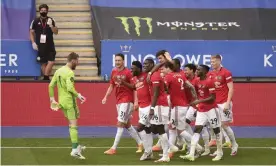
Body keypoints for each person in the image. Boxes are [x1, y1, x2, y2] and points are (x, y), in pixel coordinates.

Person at [102, 53, 143, 155]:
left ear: (123, 61)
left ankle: (113, 148)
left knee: (120, 123)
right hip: (119, 100)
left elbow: (135, 87)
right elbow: (111, 85)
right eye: (116, 60)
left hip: (127, 101)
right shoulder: (113, 71)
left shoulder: (128, 72)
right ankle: (141, 143)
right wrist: (106, 97)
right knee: (127, 124)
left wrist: (136, 101)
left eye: (119, 60)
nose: (117, 62)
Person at [181, 64, 223, 162]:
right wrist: (196, 102)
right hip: (201, 110)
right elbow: (194, 91)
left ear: (205, 72)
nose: (197, 71)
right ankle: (191, 154)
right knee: (197, 130)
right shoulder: (196, 80)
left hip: (212, 110)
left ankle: (219, 152)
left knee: (217, 130)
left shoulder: (210, 81)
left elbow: (212, 98)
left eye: (199, 70)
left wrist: (198, 101)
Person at [48, 52, 86, 159]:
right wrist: (79, 95)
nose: (77, 64)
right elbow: (70, 88)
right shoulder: (69, 73)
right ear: (73, 60)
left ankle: (76, 145)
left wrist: (52, 99)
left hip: (61, 102)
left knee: (70, 124)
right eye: (77, 61)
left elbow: (50, 86)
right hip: (69, 102)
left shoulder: (59, 71)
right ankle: (75, 150)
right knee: (74, 125)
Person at [162, 61, 201, 158]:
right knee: (172, 129)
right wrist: (196, 99)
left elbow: (163, 88)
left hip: (177, 107)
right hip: (182, 106)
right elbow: (191, 86)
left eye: (164, 68)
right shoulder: (182, 75)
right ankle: (168, 152)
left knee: (179, 131)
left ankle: (198, 146)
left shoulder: (169, 76)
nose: (163, 70)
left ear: (168, 68)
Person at [121, 60, 155, 161]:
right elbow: (133, 87)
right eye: (131, 69)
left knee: (140, 128)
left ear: (139, 69)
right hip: (142, 106)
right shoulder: (134, 78)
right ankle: (150, 152)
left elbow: (154, 70)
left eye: (133, 69)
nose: (131, 70)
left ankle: (147, 151)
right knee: (148, 129)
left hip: (149, 106)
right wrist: (123, 82)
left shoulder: (146, 75)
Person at [209, 54, 239, 156]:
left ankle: (234, 145)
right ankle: (219, 149)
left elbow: (231, 88)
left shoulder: (226, 72)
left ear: (218, 61)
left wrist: (227, 103)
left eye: (213, 62)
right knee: (217, 126)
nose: (212, 64)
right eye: (211, 62)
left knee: (224, 126)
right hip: (215, 104)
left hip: (224, 103)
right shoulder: (211, 74)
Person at [184, 63, 211, 156]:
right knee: (185, 123)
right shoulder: (187, 79)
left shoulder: (197, 79)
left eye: (187, 70)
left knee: (202, 128)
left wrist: (198, 105)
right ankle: (194, 145)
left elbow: (198, 94)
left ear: (192, 70)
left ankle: (206, 149)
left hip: (200, 106)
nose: (185, 72)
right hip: (193, 106)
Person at [30, 4, 58, 80]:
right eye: (42, 10)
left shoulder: (51, 20)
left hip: (50, 45)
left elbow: (56, 32)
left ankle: (45, 77)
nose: (43, 12)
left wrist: (51, 26)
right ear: (39, 11)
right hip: (40, 45)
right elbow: (31, 32)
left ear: (47, 11)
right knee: (43, 63)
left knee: (51, 62)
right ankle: (46, 78)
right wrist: (33, 42)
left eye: (45, 11)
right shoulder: (35, 21)